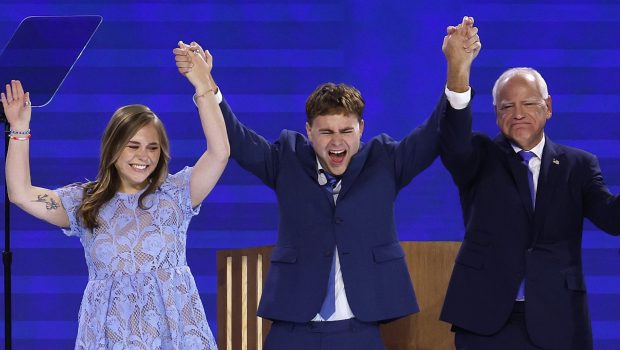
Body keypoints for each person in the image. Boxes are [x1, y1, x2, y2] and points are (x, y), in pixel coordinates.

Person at [174, 17, 480, 349]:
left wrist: (457, 74)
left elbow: (436, 131)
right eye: (326, 131)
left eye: (346, 131)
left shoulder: (385, 160)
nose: (337, 141)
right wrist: (207, 87)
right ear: (309, 131)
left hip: (358, 330)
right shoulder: (287, 159)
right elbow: (238, 138)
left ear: (361, 128)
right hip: (293, 328)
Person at [1, 41, 228, 349]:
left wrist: (203, 87)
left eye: (152, 147)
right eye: (132, 146)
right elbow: (21, 193)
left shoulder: (176, 195)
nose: (143, 156)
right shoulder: (86, 202)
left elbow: (219, 152)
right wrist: (19, 128)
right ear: (113, 148)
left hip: (174, 337)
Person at [439, 20, 620, 350]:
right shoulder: (479, 156)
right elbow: (453, 143)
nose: (518, 113)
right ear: (496, 114)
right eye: (507, 106)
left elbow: (614, 219)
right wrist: (458, 71)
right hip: (486, 320)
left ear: (548, 107)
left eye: (529, 104)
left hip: (558, 319)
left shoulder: (578, 165)